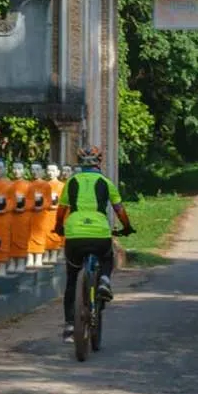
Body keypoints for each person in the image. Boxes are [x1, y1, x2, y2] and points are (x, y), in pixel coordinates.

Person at [53, 146, 136, 342]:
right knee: (107, 257)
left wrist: (58, 228)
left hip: (74, 234)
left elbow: (61, 210)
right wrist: (127, 227)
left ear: (80, 164)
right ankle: (105, 280)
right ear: (99, 162)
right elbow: (119, 209)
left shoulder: (71, 182)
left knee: (72, 280)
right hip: (99, 233)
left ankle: (70, 327)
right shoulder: (106, 182)